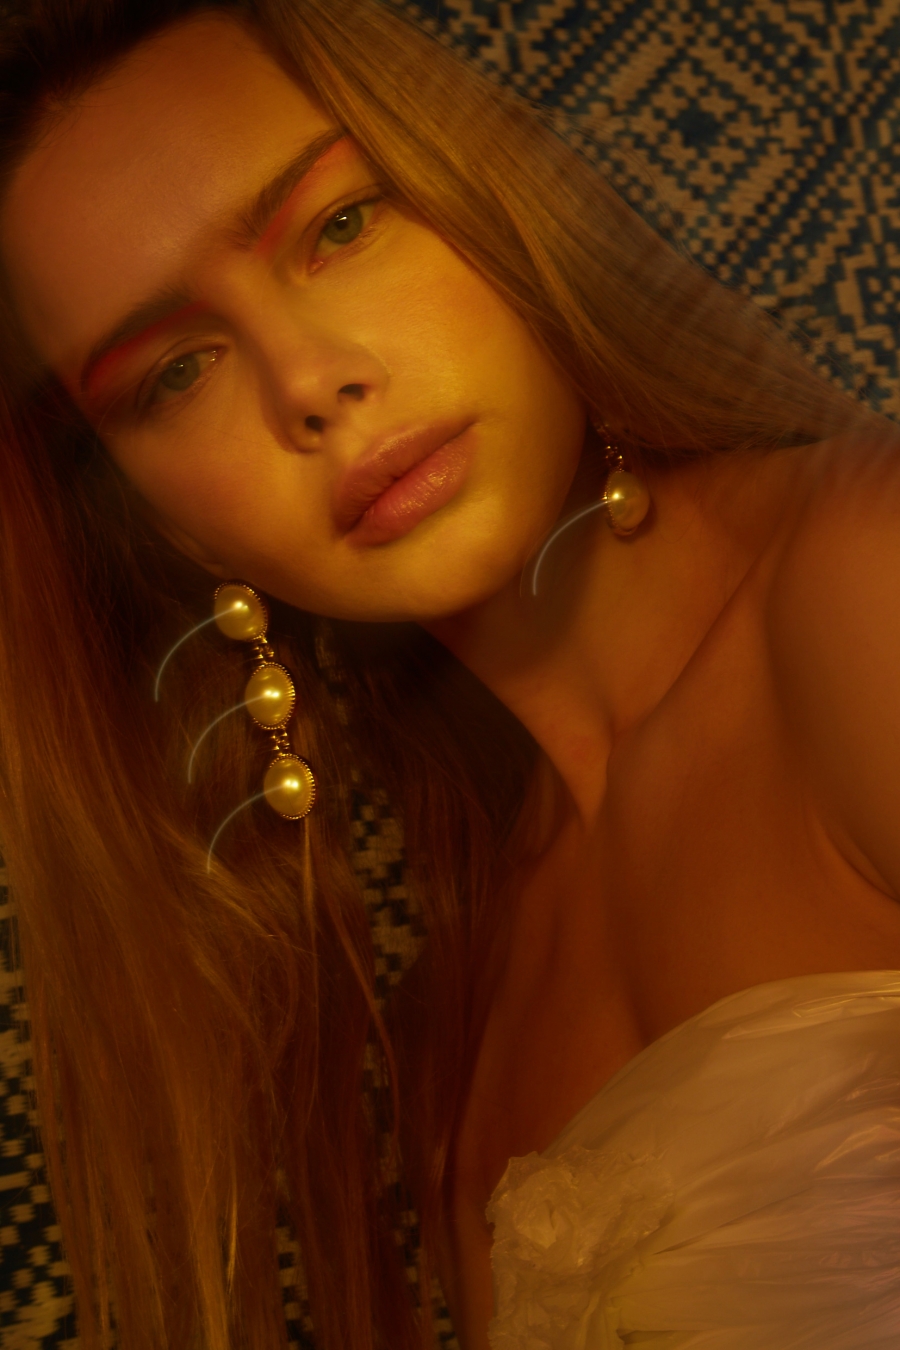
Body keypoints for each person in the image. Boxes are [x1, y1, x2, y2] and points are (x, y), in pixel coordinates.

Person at [1, 0, 900, 1347]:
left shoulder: (864, 585)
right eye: (175, 371)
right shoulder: (454, 1034)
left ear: (485, 194)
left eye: (340, 224)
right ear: (168, 527)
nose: (310, 384)